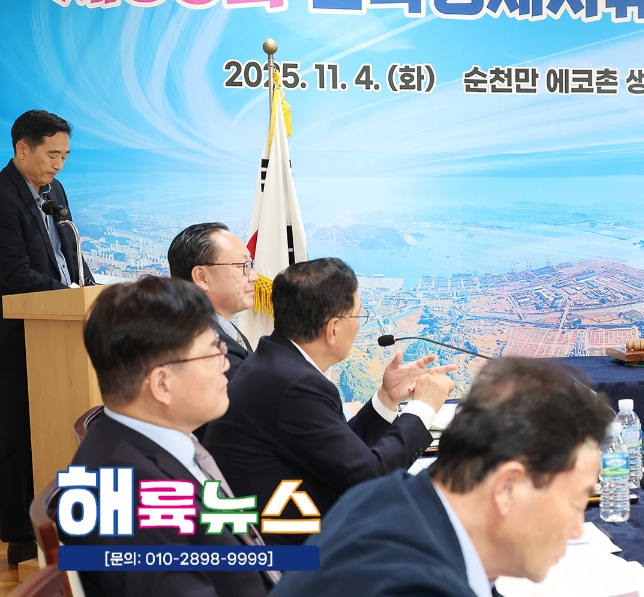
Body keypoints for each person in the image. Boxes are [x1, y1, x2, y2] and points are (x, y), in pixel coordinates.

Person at [272, 357, 612, 597]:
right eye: (575, 503)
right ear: (507, 488)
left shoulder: (388, 495)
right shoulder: (415, 586)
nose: (577, 529)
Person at [203, 257, 456, 544]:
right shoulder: (296, 385)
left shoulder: (278, 361)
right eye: (358, 316)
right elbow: (368, 476)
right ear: (333, 329)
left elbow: (342, 453)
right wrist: (423, 408)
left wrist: (387, 397)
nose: (359, 325)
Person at [69, 276, 270, 597]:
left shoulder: (159, 443)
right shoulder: (129, 492)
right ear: (162, 384)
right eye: (213, 352)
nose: (225, 364)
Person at [0, 110, 93, 565]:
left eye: (65, 156)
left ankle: (63, 525)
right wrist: (69, 295)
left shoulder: (55, 191)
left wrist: (90, 290)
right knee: (18, 434)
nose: (59, 164)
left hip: (61, 327)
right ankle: (19, 534)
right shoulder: (2, 197)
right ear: (22, 148)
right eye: (52, 154)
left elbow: (69, 251)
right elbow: (12, 273)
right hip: (18, 336)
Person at [167, 222, 259, 381]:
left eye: (250, 265)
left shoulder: (219, 327)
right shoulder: (205, 350)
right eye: (243, 266)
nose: (254, 277)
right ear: (202, 277)